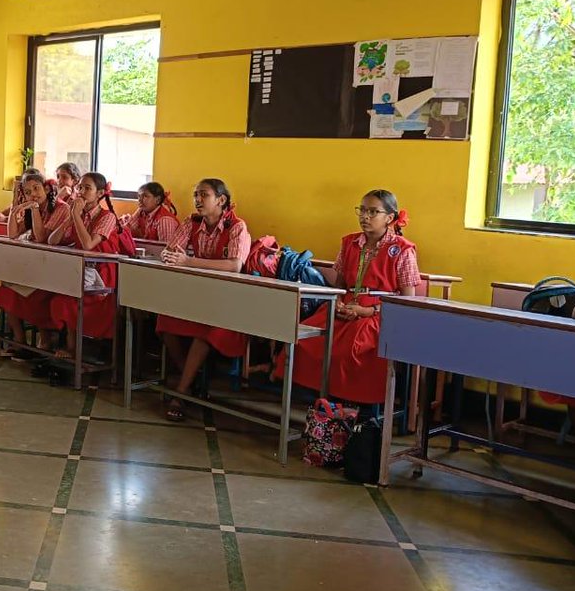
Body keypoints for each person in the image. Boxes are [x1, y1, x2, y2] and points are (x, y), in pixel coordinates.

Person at [280, 190, 420, 406]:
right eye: (362, 210)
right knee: (304, 338)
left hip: (379, 314)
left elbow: (407, 301)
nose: (365, 216)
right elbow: (340, 285)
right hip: (346, 307)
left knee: (349, 350)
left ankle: (350, 405)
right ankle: (318, 399)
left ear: (389, 218)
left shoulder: (402, 250)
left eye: (373, 212)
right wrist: (340, 304)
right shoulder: (350, 243)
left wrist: (368, 311)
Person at [156, 178, 252, 421]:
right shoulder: (192, 221)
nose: (197, 200)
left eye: (204, 195)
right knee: (164, 322)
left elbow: (234, 266)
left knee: (204, 332)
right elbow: (171, 250)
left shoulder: (237, 227)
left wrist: (189, 261)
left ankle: (182, 391)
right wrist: (173, 256)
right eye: (195, 194)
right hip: (197, 293)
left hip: (227, 300)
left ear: (221, 200)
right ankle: (192, 378)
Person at [0, 171, 70, 357]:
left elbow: (42, 238)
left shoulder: (61, 208)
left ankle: (45, 339)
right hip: (35, 266)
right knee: (7, 290)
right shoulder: (29, 207)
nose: (33, 194)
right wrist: (15, 208)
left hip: (57, 267)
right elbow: (12, 235)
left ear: (47, 188)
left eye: (36, 188)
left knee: (37, 294)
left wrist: (34, 209)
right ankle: (20, 341)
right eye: (27, 192)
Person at [47, 172, 121, 359]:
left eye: (87, 188)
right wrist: (71, 219)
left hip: (101, 274)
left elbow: (88, 245)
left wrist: (76, 217)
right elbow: (52, 240)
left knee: (68, 299)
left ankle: (73, 350)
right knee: (59, 296)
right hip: (80, 269)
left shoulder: (108, 217)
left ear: (100, 194)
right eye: (80, 187)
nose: (81, 192)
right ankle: (71, 348)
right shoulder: (79, 215)